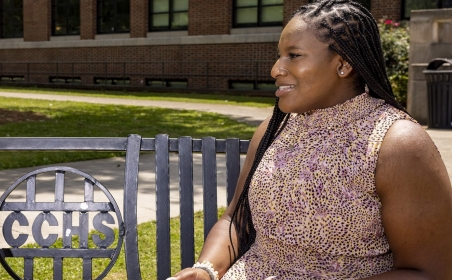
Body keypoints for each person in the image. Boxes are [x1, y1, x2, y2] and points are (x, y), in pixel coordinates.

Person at [172, 0, 452, 279]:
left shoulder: (396, 143)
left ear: (343, 65)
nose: (275, 70)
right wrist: (206, 270)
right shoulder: (273, 129)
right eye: (279, 55)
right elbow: (236, 219)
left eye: (293, 55)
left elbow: (430, 272)